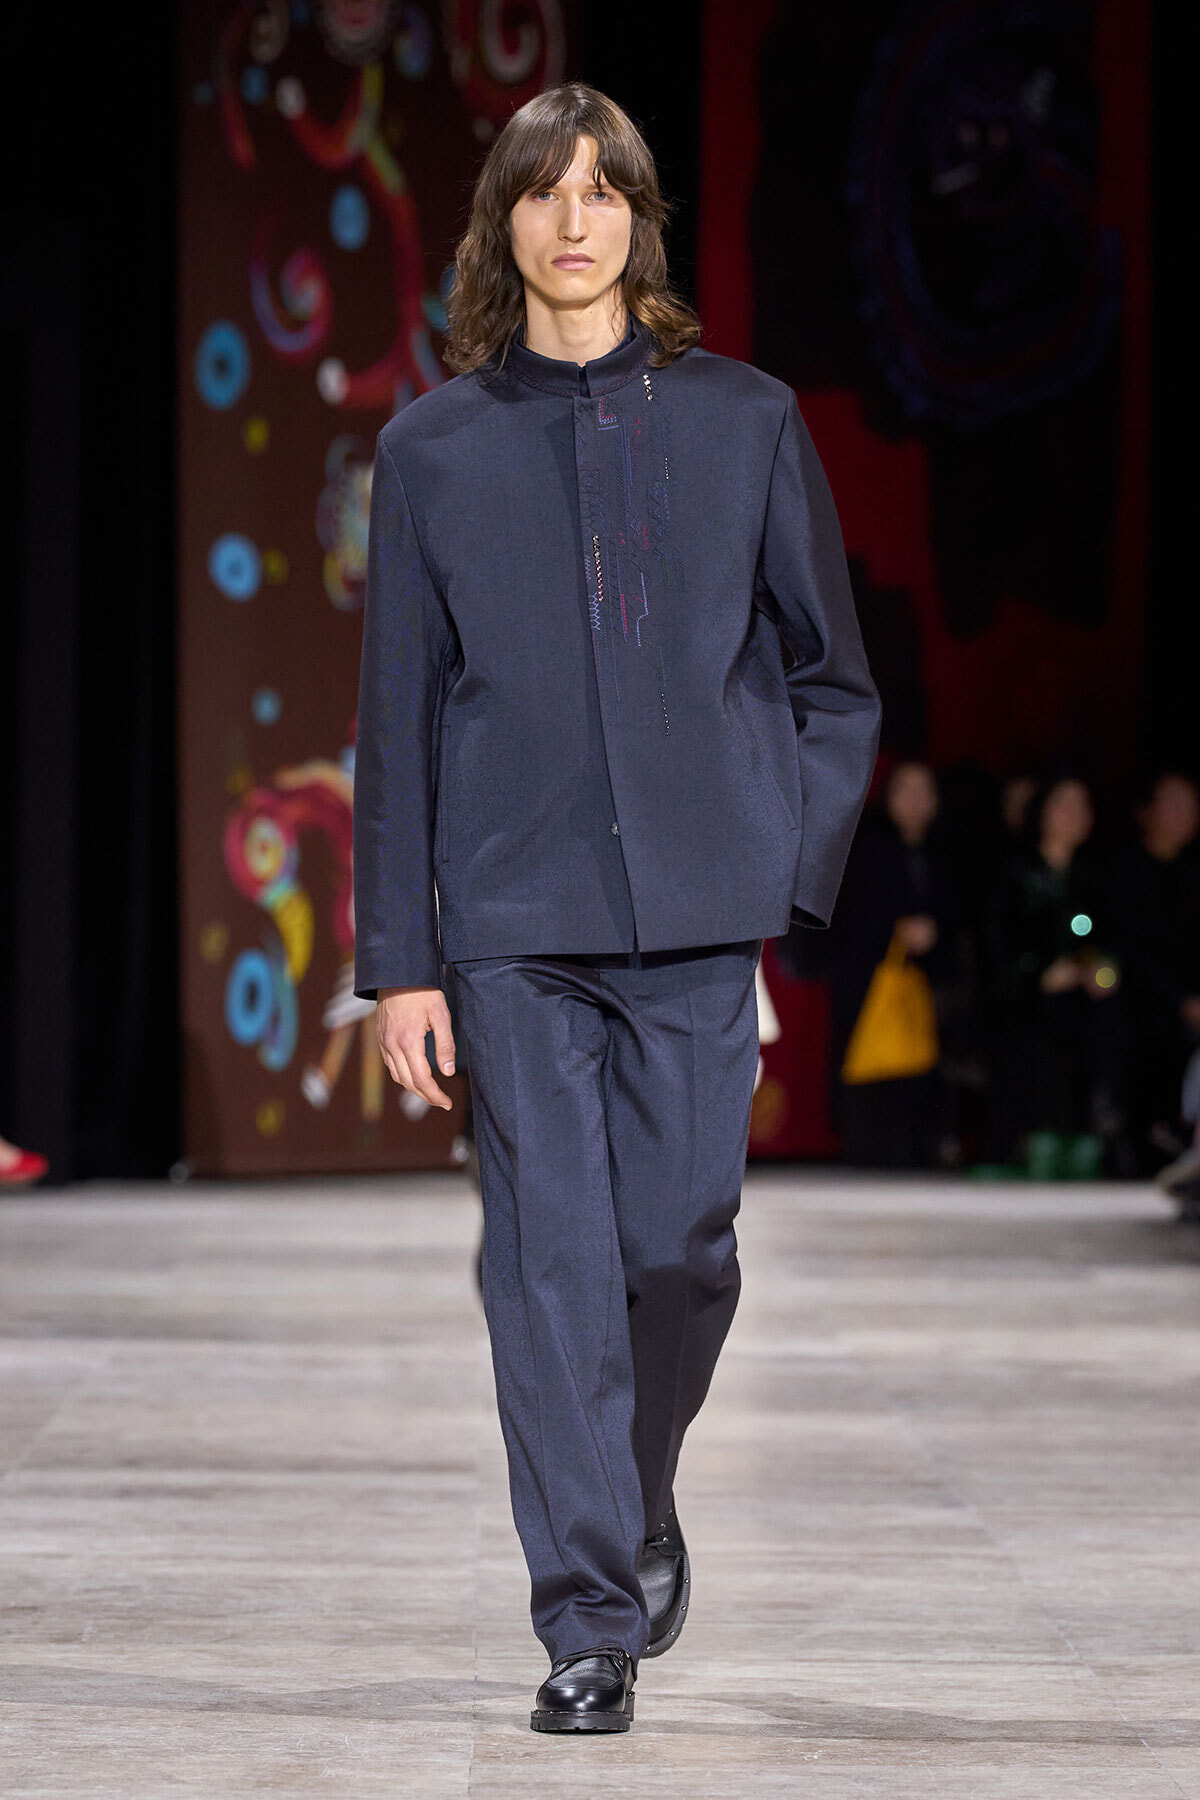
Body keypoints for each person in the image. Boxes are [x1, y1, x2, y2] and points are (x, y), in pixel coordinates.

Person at [352, 83, 880, 1734]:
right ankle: (586, 1618)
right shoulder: (434, 446)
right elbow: (400, 720)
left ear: (638, 219)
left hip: (696, 918)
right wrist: (400, 963)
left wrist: (782, 867)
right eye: (541, 193)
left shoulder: (743, 419)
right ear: (501, 226)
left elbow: (832, 682)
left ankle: (638, 1486)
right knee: (553, 1265)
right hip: (511, 924)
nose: (572, 220)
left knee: (677, 1252)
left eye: (601, 190)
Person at [982, 772, 1126, 1177]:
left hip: (1084, 1009)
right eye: (1064, 805)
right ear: (1042, 813)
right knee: (1031, 1043)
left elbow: (1115, 941)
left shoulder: (1097, 876)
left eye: (1083, 807)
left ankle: (1095, 1143)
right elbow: (996, 945)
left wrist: (1104, 968)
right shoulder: (1014, 872)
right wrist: (1038, 975)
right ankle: (1025, 1148)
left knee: (1104, 1033)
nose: (1074, 815)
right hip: (1022, 1005)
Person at [829, 761, 959, 1169]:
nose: (916, 801)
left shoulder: (946, 853)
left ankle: (918, 1149)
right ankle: (867, 1152)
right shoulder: (863, 846)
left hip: (926, 981)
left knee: (922, 1072)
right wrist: (897, 929)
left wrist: (934, 933)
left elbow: (958, 918)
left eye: (926, 791)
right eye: (906, 790)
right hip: (868, 977)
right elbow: (846, 913)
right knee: (869, 1070)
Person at [1105, 771, 1200, 1173]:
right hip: (1140, 1009)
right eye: (1173, 803)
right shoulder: (1122, 870)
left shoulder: (1194, 873)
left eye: (1191, 806)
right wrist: (1180, 1000)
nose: (1183, 814)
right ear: (1145, 811)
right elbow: (1126, 948)